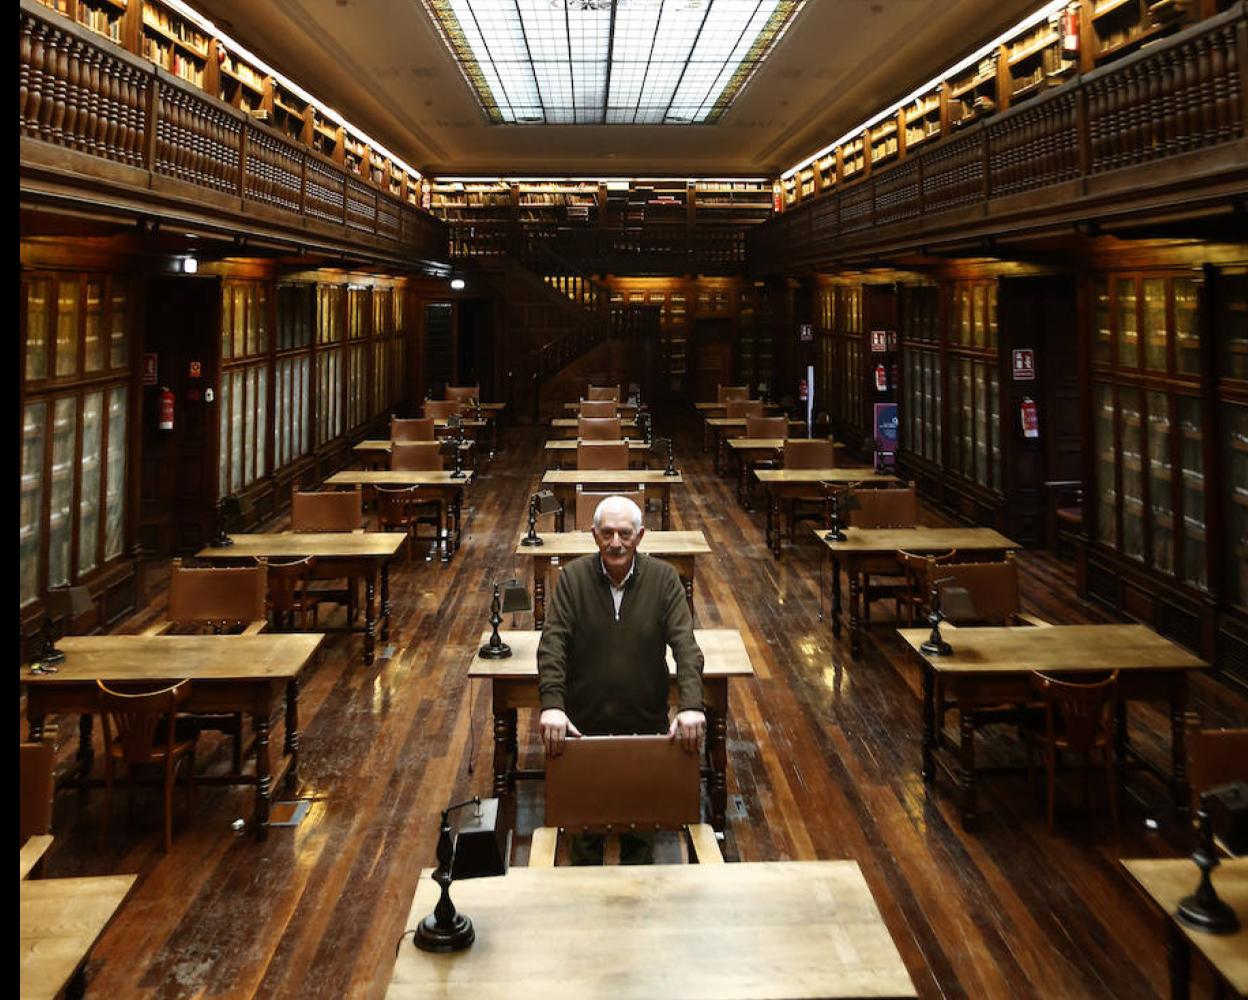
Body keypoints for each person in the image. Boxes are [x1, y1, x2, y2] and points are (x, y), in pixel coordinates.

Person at [537, 494, 705, 864]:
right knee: (583, 840)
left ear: (640, 535)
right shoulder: (573, 579)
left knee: (641, 841)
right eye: (607, 533)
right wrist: (552, 705)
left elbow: (687, 648)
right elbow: (552, 645)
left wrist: (691, 705)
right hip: (583, 730)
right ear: (594, 535)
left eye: (625, 534)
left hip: (644, 728)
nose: (616, 542)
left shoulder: (663, 580)